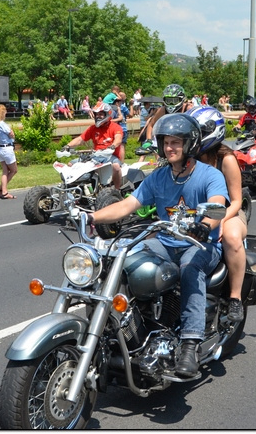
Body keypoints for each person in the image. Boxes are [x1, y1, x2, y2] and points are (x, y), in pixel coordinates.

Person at [89, 113, 229, 378]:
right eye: (166, 142)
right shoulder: (159, 176)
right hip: (165, 241)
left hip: (200, 244)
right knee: (122, 255)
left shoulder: (209, 175)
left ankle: (190, 343)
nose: (169, 147)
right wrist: (91, 216)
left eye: (176, 142)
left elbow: (218, 203)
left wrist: (205, 224)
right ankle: (122, 328)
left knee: (190, 269)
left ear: (190, 144)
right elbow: (127, 205)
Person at [189, 105, 248, 322]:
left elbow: (236, 200)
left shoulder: (227, 159)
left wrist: (220, 220)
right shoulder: (189, 157)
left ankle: (235, 298)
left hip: (229, 212)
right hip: (195, 211)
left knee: (231, 238)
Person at [64, 103, 124, 190]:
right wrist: (68, 146)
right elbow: (80, 139)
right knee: (70, 164)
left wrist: (113, 146)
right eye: (96, 114)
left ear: (107, 114)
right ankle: (74, 189)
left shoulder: (116, 127)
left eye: (100, 114)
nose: (98, 116)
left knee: (116, 167)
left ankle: (117, 190)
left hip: (110, 156)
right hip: (95, 156)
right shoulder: (93, 128)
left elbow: (118, 139)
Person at [0, 104, 18, 199]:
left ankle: (2, 189)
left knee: (5, 171)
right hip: (7, 148)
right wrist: (12, 137)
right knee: (14, 170)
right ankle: (3, 190)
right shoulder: (1, 124)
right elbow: (11, 133)